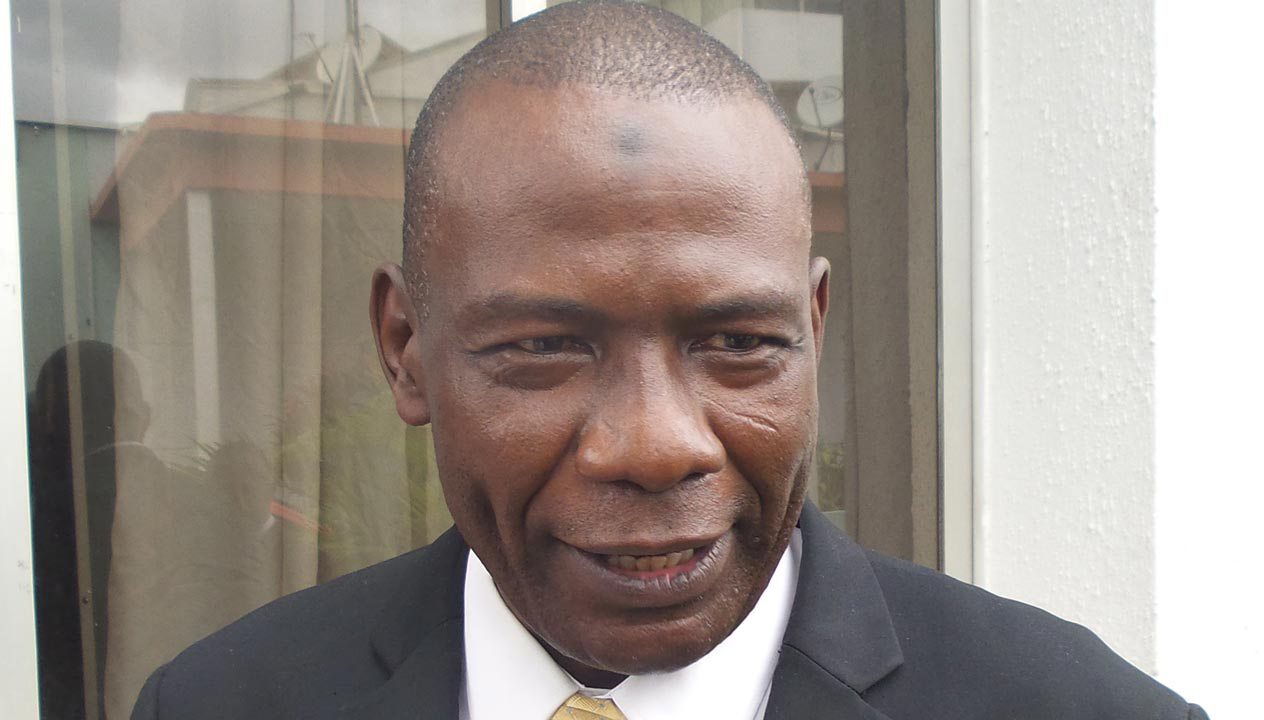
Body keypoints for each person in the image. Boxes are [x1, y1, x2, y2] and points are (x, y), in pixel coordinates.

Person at [130, 2, 1206, 718]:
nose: (653, 446)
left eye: (737, 345)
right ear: (406, 350)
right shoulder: (223, 705)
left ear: (813, 328)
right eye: (543, 348)